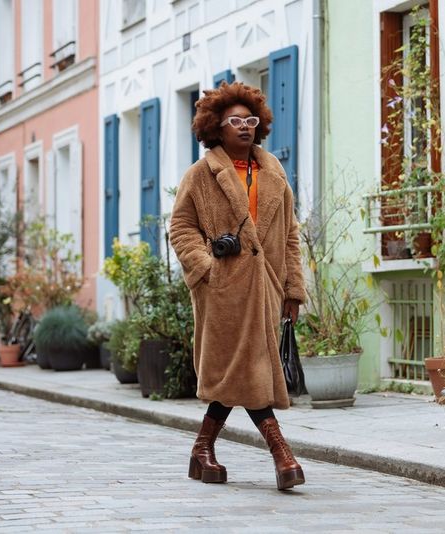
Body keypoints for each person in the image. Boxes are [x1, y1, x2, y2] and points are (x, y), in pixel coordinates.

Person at [169, 82, 307, 490]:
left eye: (250, 120)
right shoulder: (200, 175)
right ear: (216, 127)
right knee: (246, 369)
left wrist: (293, 290)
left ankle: (202, 449)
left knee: (242, 371)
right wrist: (207, 267)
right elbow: (180, 228)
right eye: (235, 122)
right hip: (223, 291)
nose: (244, 128)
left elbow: (290, 235)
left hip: (265, 288)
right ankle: (283, 456)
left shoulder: (274, 173)